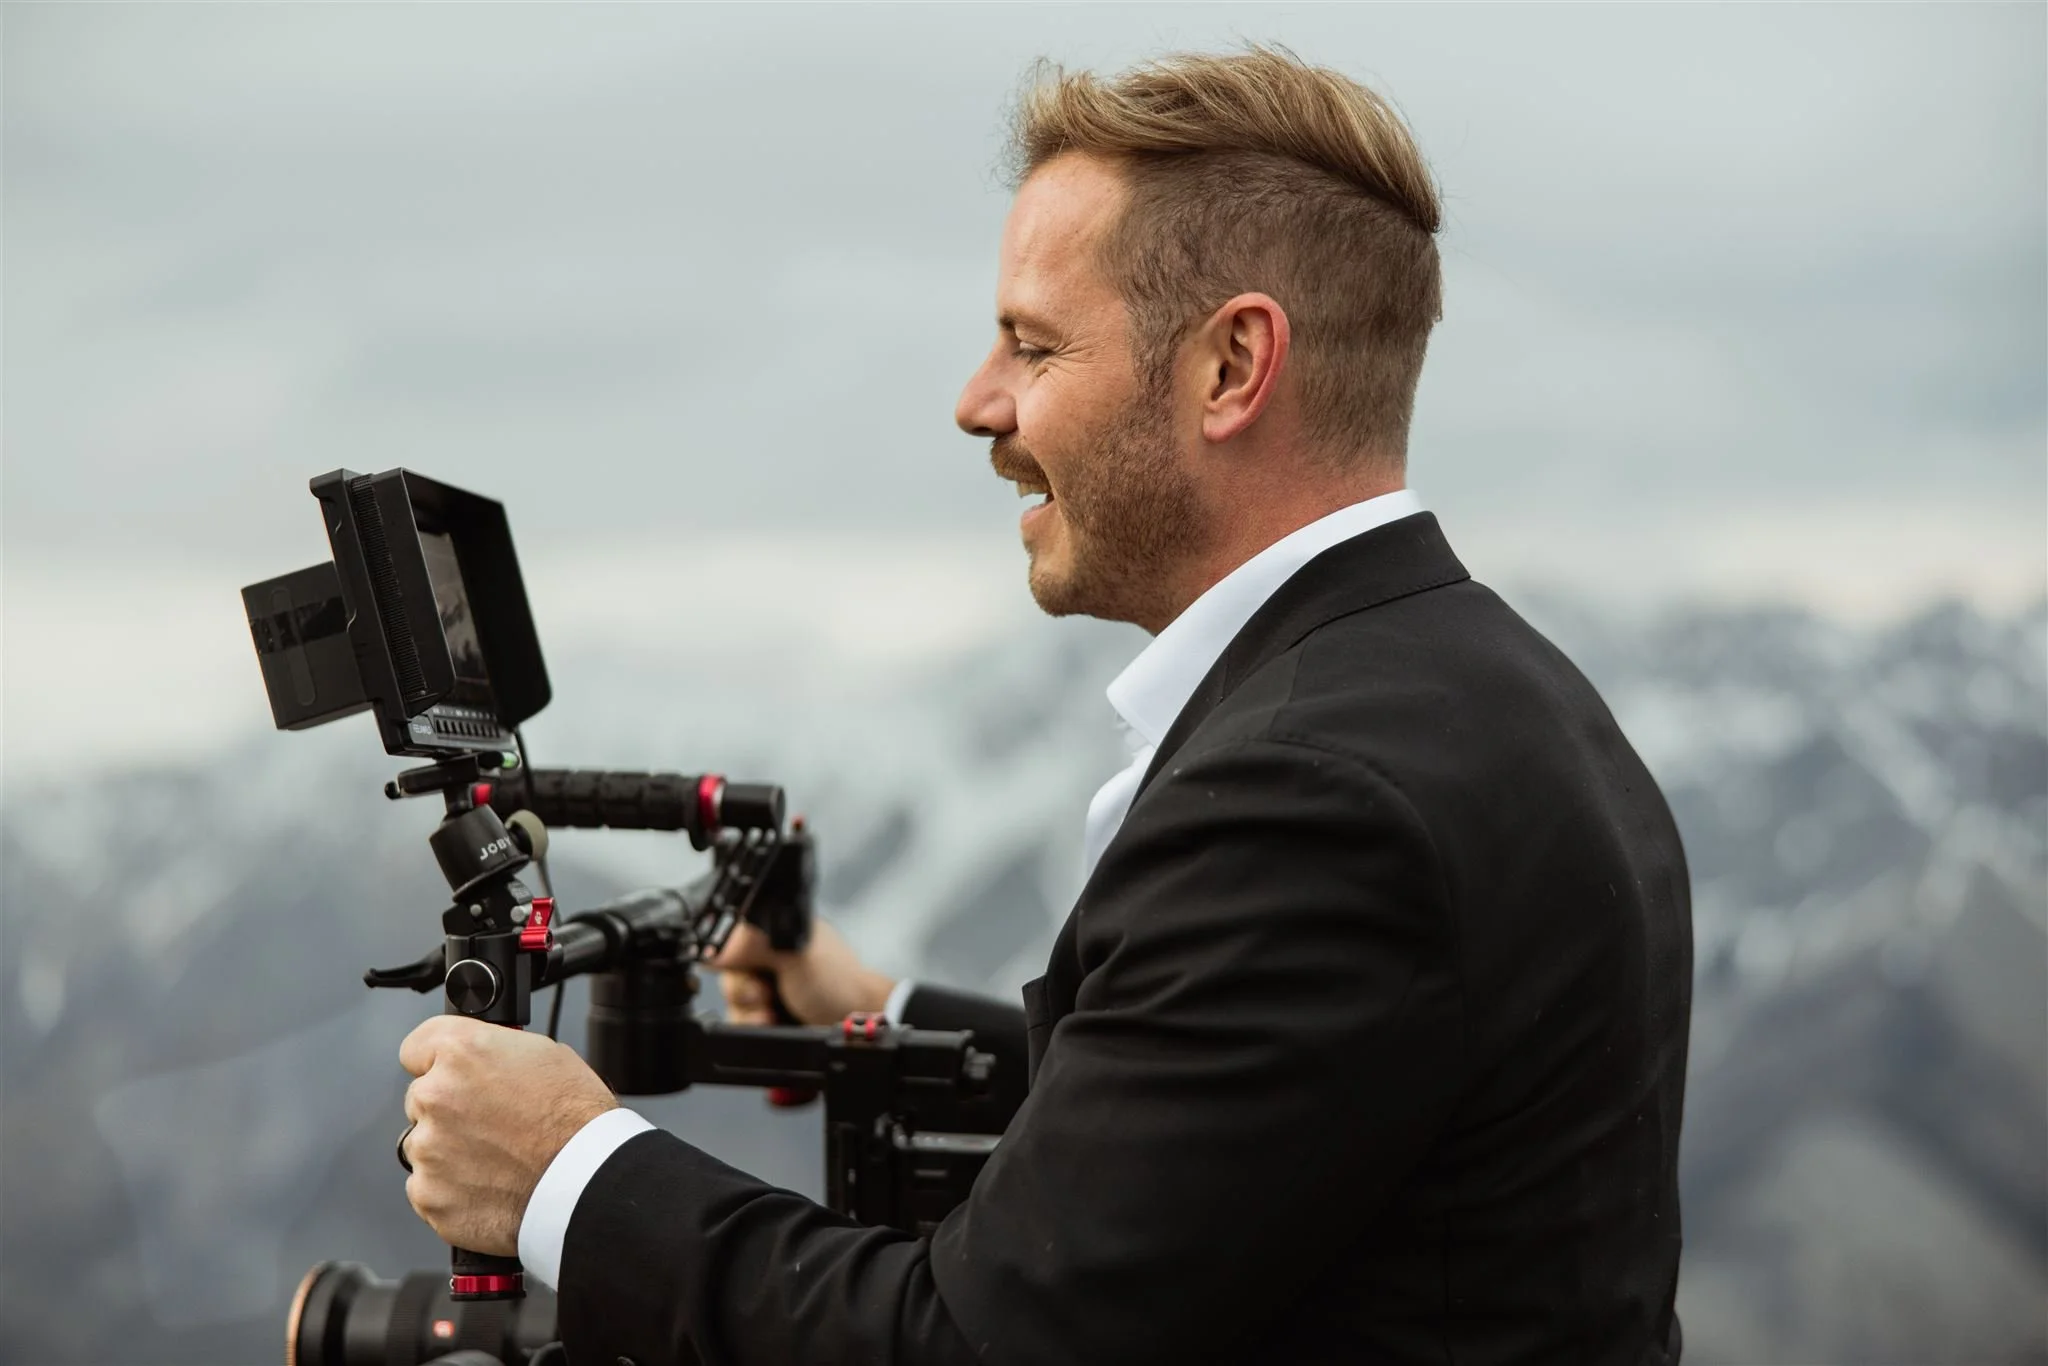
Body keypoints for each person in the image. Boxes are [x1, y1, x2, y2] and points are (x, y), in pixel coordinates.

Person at [397, 45, 1693, 1366]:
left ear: (1232, 366)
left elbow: (976, 1343)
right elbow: (1249, 1120)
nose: (980, 404)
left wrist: (564, 1170)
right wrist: (889, 1006)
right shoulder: (1498, 692)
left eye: (1033, 343)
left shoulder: (1312, 793)